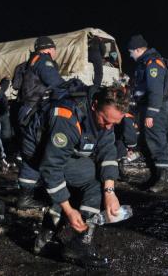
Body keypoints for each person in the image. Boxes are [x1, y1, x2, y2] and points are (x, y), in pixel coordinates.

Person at [34, 86, 128, 267]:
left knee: (95, 181)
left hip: (65, 154)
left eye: (114, 124)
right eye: (106, 120)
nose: (109, 127)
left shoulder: (106, 118)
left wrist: (110, 192)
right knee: (87, 184)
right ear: (94, 105)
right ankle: (71, 242)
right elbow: (51, 168)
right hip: (42, 153)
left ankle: (63, 238)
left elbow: (108, 152)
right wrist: (69, 210)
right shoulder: (66, 117)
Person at [16, 36, 66, 209]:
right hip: (35, 112)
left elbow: (16, 85)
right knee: (46, 151)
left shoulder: (27, 63)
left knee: (32, 154)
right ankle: (52, 193)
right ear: (49, 49)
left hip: (25, 111)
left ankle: (26, 196)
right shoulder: (44, 61)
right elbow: (57, 83)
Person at [128, 35, 168, 193]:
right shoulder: (144, 63)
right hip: (144, 108)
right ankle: (155, 176)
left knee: (157, 141)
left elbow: (155, 91)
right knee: (146, 142)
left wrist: (151, 114)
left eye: (131, 51)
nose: (130, 55)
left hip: (153, 109)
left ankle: (163, 179)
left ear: (139, 50)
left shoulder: (153, 63)